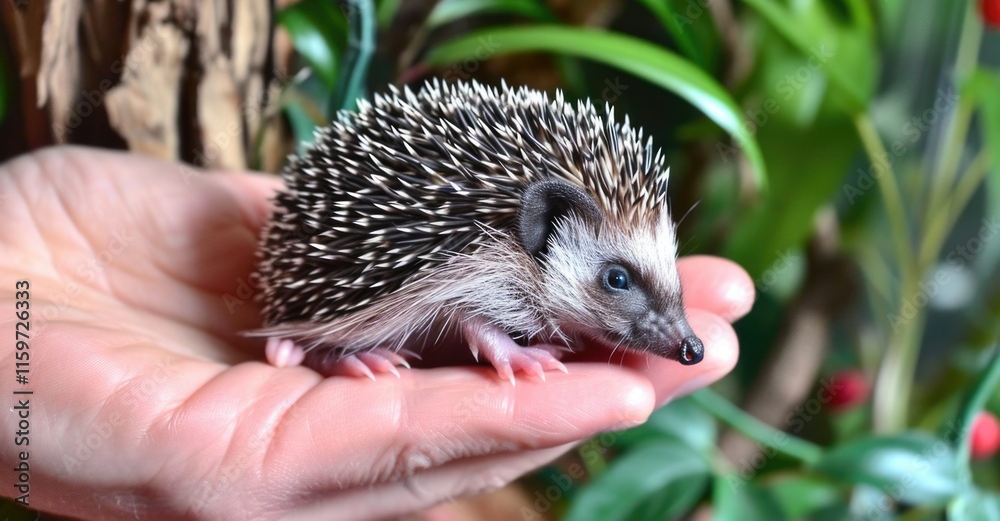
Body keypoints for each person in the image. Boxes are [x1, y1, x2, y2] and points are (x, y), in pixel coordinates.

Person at [0, 147, 751, 520]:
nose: (674, 333)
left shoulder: (552, 252)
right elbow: (464, 310)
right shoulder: (490, 264)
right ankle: (322, 344)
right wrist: (503, 346)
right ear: (543, 229)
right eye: (617, 281)